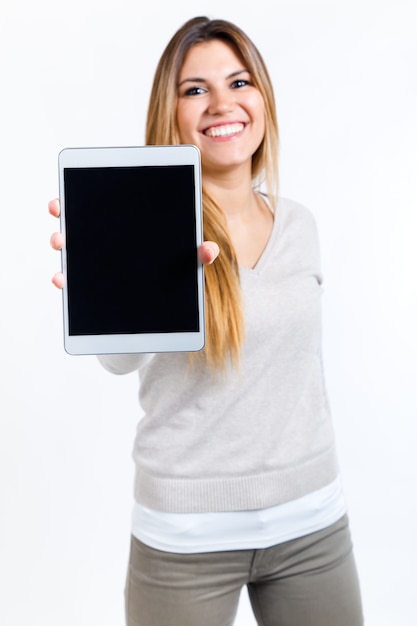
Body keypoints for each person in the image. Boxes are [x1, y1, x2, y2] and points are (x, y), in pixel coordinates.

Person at [49, 16, 363, 626]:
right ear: (170, 112)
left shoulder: (301, 225)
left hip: (312, 525)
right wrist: (110, 277)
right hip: (185, 539)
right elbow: (118, 362)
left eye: (239, 81)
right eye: (195, 89)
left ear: (262, 98)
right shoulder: (147, 232)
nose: (223, 103)